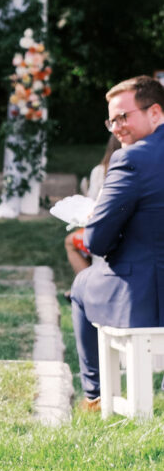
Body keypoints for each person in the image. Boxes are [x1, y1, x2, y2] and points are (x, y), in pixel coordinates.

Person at [70, 75, 164, 410]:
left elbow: (96, 241)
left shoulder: (131, 159)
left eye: (124, 117)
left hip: (149, 293)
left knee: (81, 285)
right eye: (112, 119)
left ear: (155, 112)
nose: (116, 127)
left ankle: (94, 395)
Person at [64, 135, 121, 290]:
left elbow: (91, 205)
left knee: (70, 241)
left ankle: (87, 287)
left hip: (101, 235)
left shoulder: (99, 171)